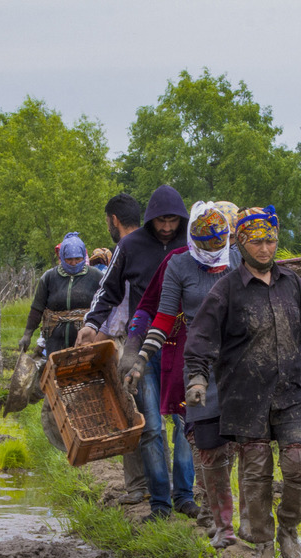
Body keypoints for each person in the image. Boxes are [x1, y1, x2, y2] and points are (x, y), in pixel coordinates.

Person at [183, 206, 301, 558]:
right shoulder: (226, 291)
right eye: (256, 242)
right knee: (256, 471)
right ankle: (263, 541)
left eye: (270, 240)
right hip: (246, 396)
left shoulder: (292, 283)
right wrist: (198, 380)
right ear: (241, 243)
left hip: (292, 391)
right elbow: (199, 342)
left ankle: (289, 529)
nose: (265, 248)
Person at [124, 201, 242, 548]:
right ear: (192, 240)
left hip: (237, 358)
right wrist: (141, 356)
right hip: (197, 358)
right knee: (203, 440)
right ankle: (214, 516)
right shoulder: (179, 265)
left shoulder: (237, 259)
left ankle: (230, 520)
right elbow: (161, 316)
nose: (212, 252)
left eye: (218, 243)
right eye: (205, 245)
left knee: (242, 442)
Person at [79, 185, 193, 522]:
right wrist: (91, 323)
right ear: (150, 219)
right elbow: (108, 290)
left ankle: (185, 495)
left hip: (184, 345)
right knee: (151, 425)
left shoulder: (192, 244)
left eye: (174, 220)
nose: (168, 227)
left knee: (184, 422)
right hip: (142, 344)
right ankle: (159, 502)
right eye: (162, 221)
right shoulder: (130, 246)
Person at [98, 193, 146, 505]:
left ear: (114, 221)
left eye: (108, 222)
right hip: (159, 337)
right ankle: (164, 486)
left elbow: (115, 303)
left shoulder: (123, 252)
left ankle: (139, 486)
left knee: (131, 414)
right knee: (156, 418)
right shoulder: (155, 248)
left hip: (130, 341)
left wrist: (97, 333)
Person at [20, 232, 102, 356]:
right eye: (69, 259)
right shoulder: (49, 277)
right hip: (55, 341)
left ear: (83, 256)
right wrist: (27, 334)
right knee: (56, 371)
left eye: (77, 259)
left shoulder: (96, 276)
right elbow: (37, 309)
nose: (74, 263)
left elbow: (107, 305)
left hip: (86, 341)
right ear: (62, 257)